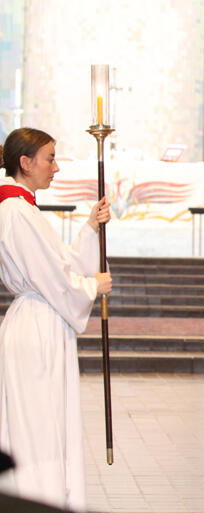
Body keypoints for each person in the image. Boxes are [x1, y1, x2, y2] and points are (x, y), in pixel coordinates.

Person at [0, 128, 113, 511]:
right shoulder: (15, 211)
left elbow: (56, 263)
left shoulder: (23, 208)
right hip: (36, 328)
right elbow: (52, 278)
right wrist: (90, 286)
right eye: (50, 158)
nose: (56, 167)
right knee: (38, 426)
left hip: (41, 321)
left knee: (45, 422)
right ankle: (37, 500)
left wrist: (90, 228)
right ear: (25, 162)